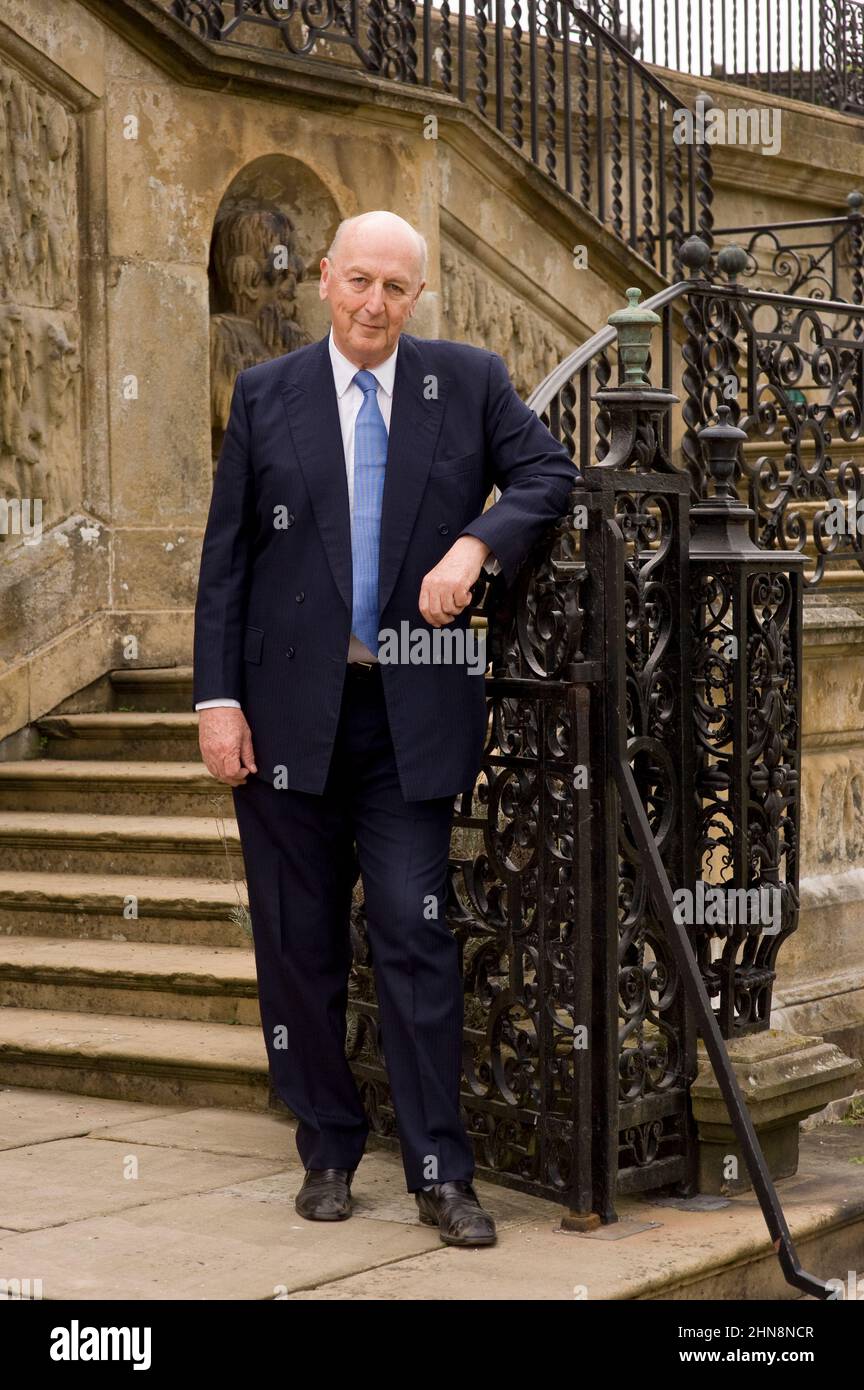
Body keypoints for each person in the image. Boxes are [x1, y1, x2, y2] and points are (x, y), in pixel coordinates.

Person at [193, 210, 579, 1248]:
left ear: (418, 297)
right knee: (297, 942)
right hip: (282, 720)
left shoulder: (469, 379)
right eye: (358, 281)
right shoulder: (268, 394)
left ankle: (441, 1169)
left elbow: (551, 473)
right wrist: (214, 701)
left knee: (414, 935)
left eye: (395, 289)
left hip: (410, 710)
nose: (373, 304)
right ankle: (325, 1145)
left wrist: (475, 546)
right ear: (325, 279)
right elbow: (227, 559)